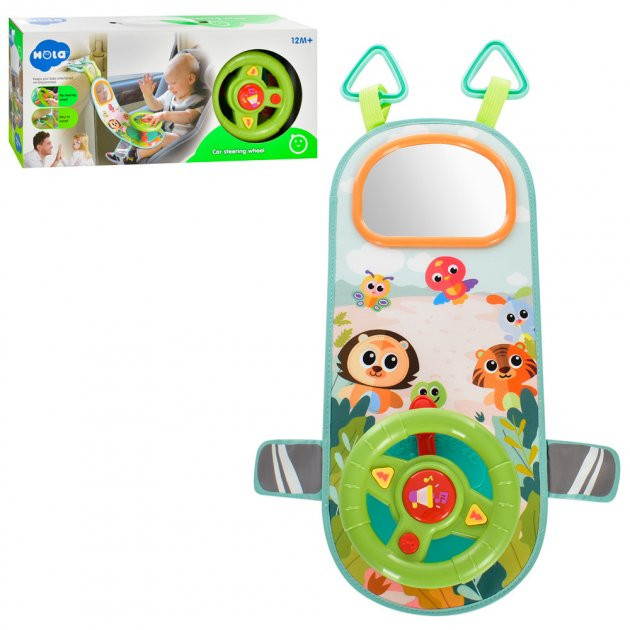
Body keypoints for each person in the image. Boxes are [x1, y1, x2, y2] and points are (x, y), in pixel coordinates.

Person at [106, 52, 206, 164]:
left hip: (180, 139)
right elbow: (155, 105)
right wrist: (148, 94)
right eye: (168, 83)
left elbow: (188, 117)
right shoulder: (170, 94)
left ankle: (134, 156)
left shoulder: (197, 100)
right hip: (164, 131)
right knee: (133, 127)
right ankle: (120, 153)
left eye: (173, 83)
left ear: (190, 79)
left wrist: (164, 115)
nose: (169, 87)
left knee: (162, 138)